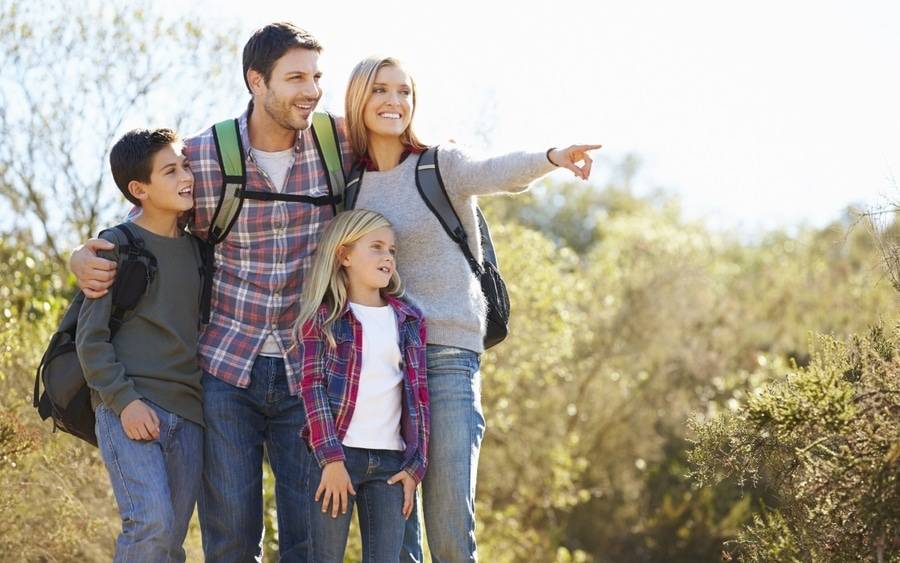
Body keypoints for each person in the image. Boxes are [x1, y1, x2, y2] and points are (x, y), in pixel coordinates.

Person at [69, 23, 353, 562]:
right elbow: (141, 222)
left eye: (317, 77)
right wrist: (81, 255)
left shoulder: (337, 144)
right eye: (296, 78)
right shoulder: (203, 155)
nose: (311, 90)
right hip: (224, 374)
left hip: (308, 370)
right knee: (230, 542)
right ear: (257, 81)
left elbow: (405, 145)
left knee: (312, 543)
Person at [342, 55, 600, 562]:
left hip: (445, 356)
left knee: (448, 529)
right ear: (357, 100)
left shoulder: (442, 163)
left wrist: (551, 156)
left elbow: (496, 172)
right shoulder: (350, 184)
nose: (394, 101)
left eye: (404, 91)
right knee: (395, 539)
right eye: (380, 91)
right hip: (382, 365)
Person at [76, 128, 203, 562]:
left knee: (169, 544)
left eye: (185, 165)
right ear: (139, 189)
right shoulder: (116, 245)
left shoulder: (201, 251)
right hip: (129, 406)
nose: (186, 176)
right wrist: (124, 401)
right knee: (150, 524)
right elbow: (90, 339)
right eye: (170, 171)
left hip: (189, 417)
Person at [295, 209, 429, 562]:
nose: (388, 257)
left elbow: (419, 397)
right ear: (345, 255)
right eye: (377, 247)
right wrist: (331, 459)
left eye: (392, 250)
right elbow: (312, 389)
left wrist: (416, 467)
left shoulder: (409, 319)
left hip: (391, 465)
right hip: (336, 460)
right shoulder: (322, 320)